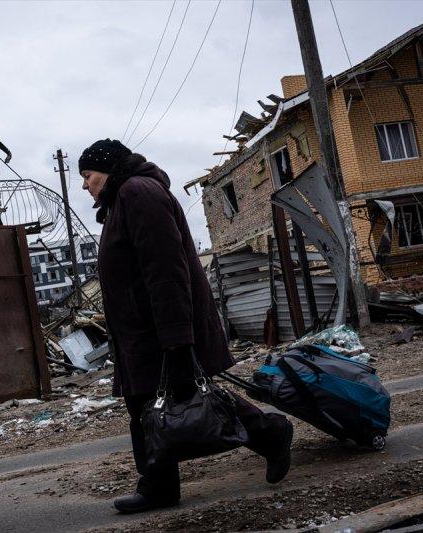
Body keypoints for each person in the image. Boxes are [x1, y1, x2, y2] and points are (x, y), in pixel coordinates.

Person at [78, 139, 294, 514]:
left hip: (159, 331)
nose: (85, 185)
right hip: (144, 333)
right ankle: (164, 483)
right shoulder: (124, 199)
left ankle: (269, 435)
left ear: (109, 172)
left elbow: (165, 269)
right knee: (155, 404)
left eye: (88, 176)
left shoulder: (138, 193)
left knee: (177, 400)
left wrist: (176, 335)